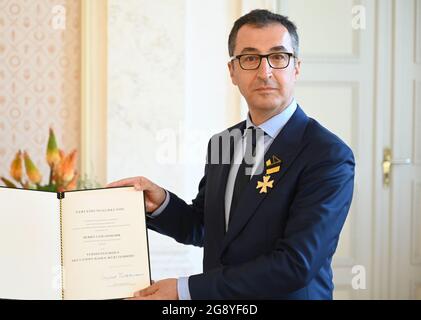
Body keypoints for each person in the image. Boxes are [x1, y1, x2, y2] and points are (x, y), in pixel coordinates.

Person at [107, 9, 355, 300]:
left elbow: (296, 264)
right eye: (250, 58)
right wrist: (160, 203)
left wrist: (185, 289)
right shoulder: (222, 143)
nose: (265, 72)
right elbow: (205, 228)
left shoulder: (328, 155)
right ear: (233, 71)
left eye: (278, 57)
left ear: (296, 67)